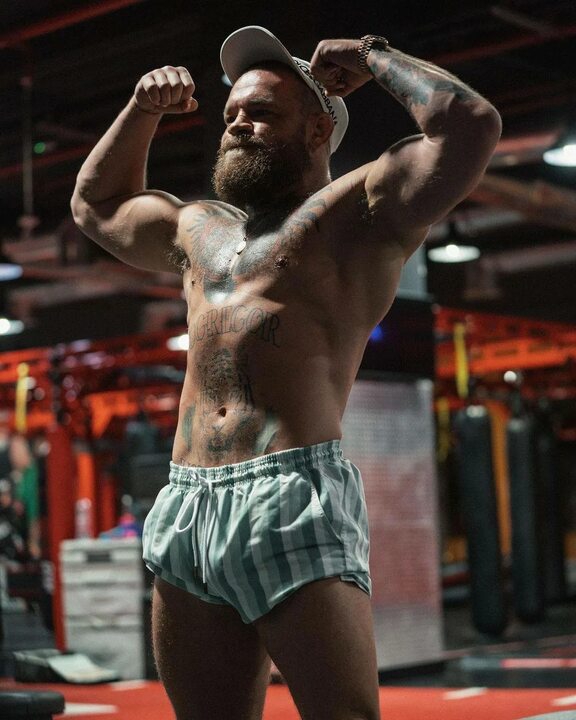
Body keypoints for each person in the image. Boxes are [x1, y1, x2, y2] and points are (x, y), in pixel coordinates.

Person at [71, 25, 501, 720]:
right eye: (232, 113)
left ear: (317, 129)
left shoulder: (359, 212)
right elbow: (96, 206)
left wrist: (373, 57)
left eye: (261, 112)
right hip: (186, 502)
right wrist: (141, 110)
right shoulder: (199, 228)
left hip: (289, 491)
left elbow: (470, 124)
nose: (237, 124)